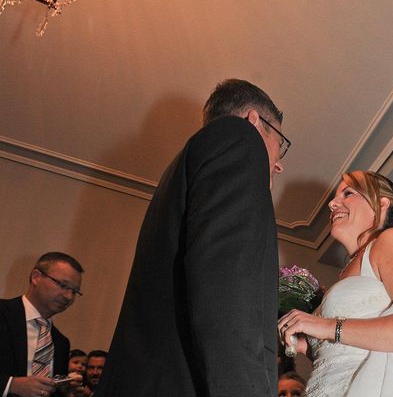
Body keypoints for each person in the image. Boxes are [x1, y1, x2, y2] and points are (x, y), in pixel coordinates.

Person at [96, 79, 290, 397]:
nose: (279, 164)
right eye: (279, 142)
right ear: (255, 120)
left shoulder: (184, 169)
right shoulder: (240, 138)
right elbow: (228, 288)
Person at [278, 170, 393, 397]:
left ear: (381, 203)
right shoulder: (348, 270)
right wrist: (309, 345)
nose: (332, 203)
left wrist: (326, 327)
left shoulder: (390, 239)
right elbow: (351, 351)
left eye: (347, 193)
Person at [0, 252, 84, 397]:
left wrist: (65, 392)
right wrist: (10, 385)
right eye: (63, 285)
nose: (68, 296)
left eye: (74, 291)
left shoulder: (61, 343)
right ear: (36, 277)